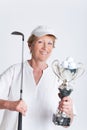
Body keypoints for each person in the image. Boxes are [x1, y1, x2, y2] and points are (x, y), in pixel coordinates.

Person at [0, 25, 74, 130]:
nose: (45, 47)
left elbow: (67, 124)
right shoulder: (14, 71)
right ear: (30, 45)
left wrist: (68, 111)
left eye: (49, 43)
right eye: (40, 42)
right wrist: (9, 104)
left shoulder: (59, 76)